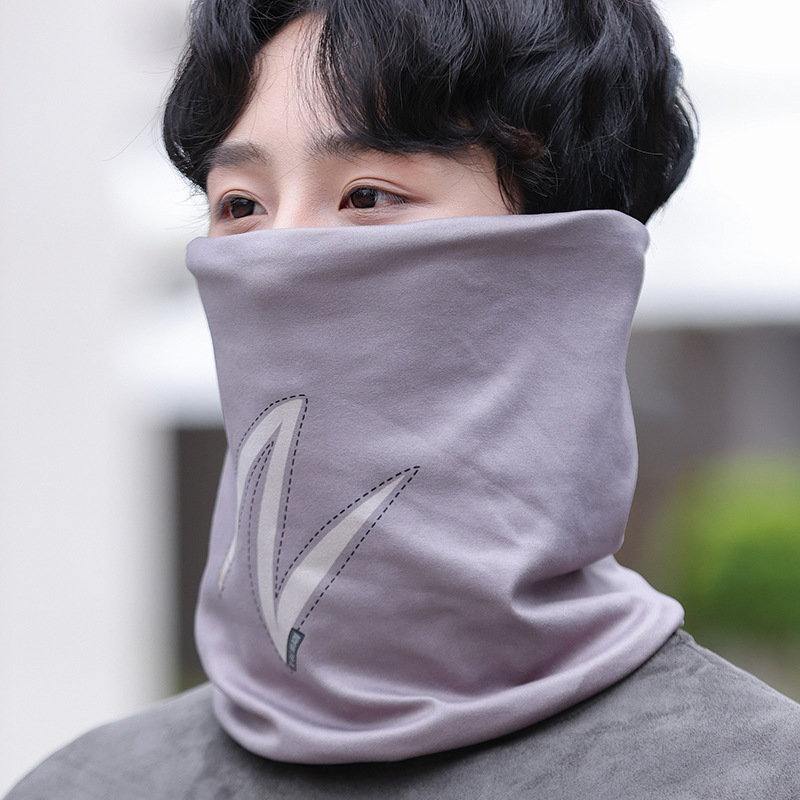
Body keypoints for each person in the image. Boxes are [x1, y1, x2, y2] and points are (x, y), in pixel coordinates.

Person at [6, 0, 800, 797]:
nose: (279, 258)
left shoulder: (753, 776)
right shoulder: (85, 786)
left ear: (568, 265)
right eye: (240, 205)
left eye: (367, 196)